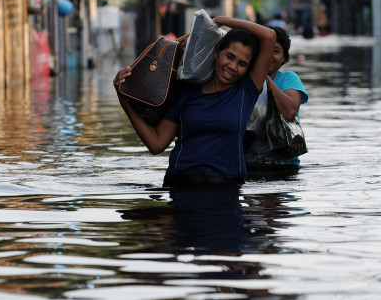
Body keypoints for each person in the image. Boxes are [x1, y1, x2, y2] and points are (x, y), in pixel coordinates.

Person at [113, 16, 276, 187]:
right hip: (181, 187)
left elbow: (269, 36)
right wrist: (123, 99)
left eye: (242, 63)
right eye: (229, 56)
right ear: (216, 52)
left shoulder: (246, 91)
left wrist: (221, 20)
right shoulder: (187, 91)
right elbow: (156, 143)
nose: (233, 66)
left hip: (227, 189)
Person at [243, 26, 309, 176]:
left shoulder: (288, 79)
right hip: (248, 168)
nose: (268, 56)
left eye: (275, 51)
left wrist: (264, 78)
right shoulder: (242, 80)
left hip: (284, 169)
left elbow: (290, 111)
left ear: (284, 58)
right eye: (264, 50)